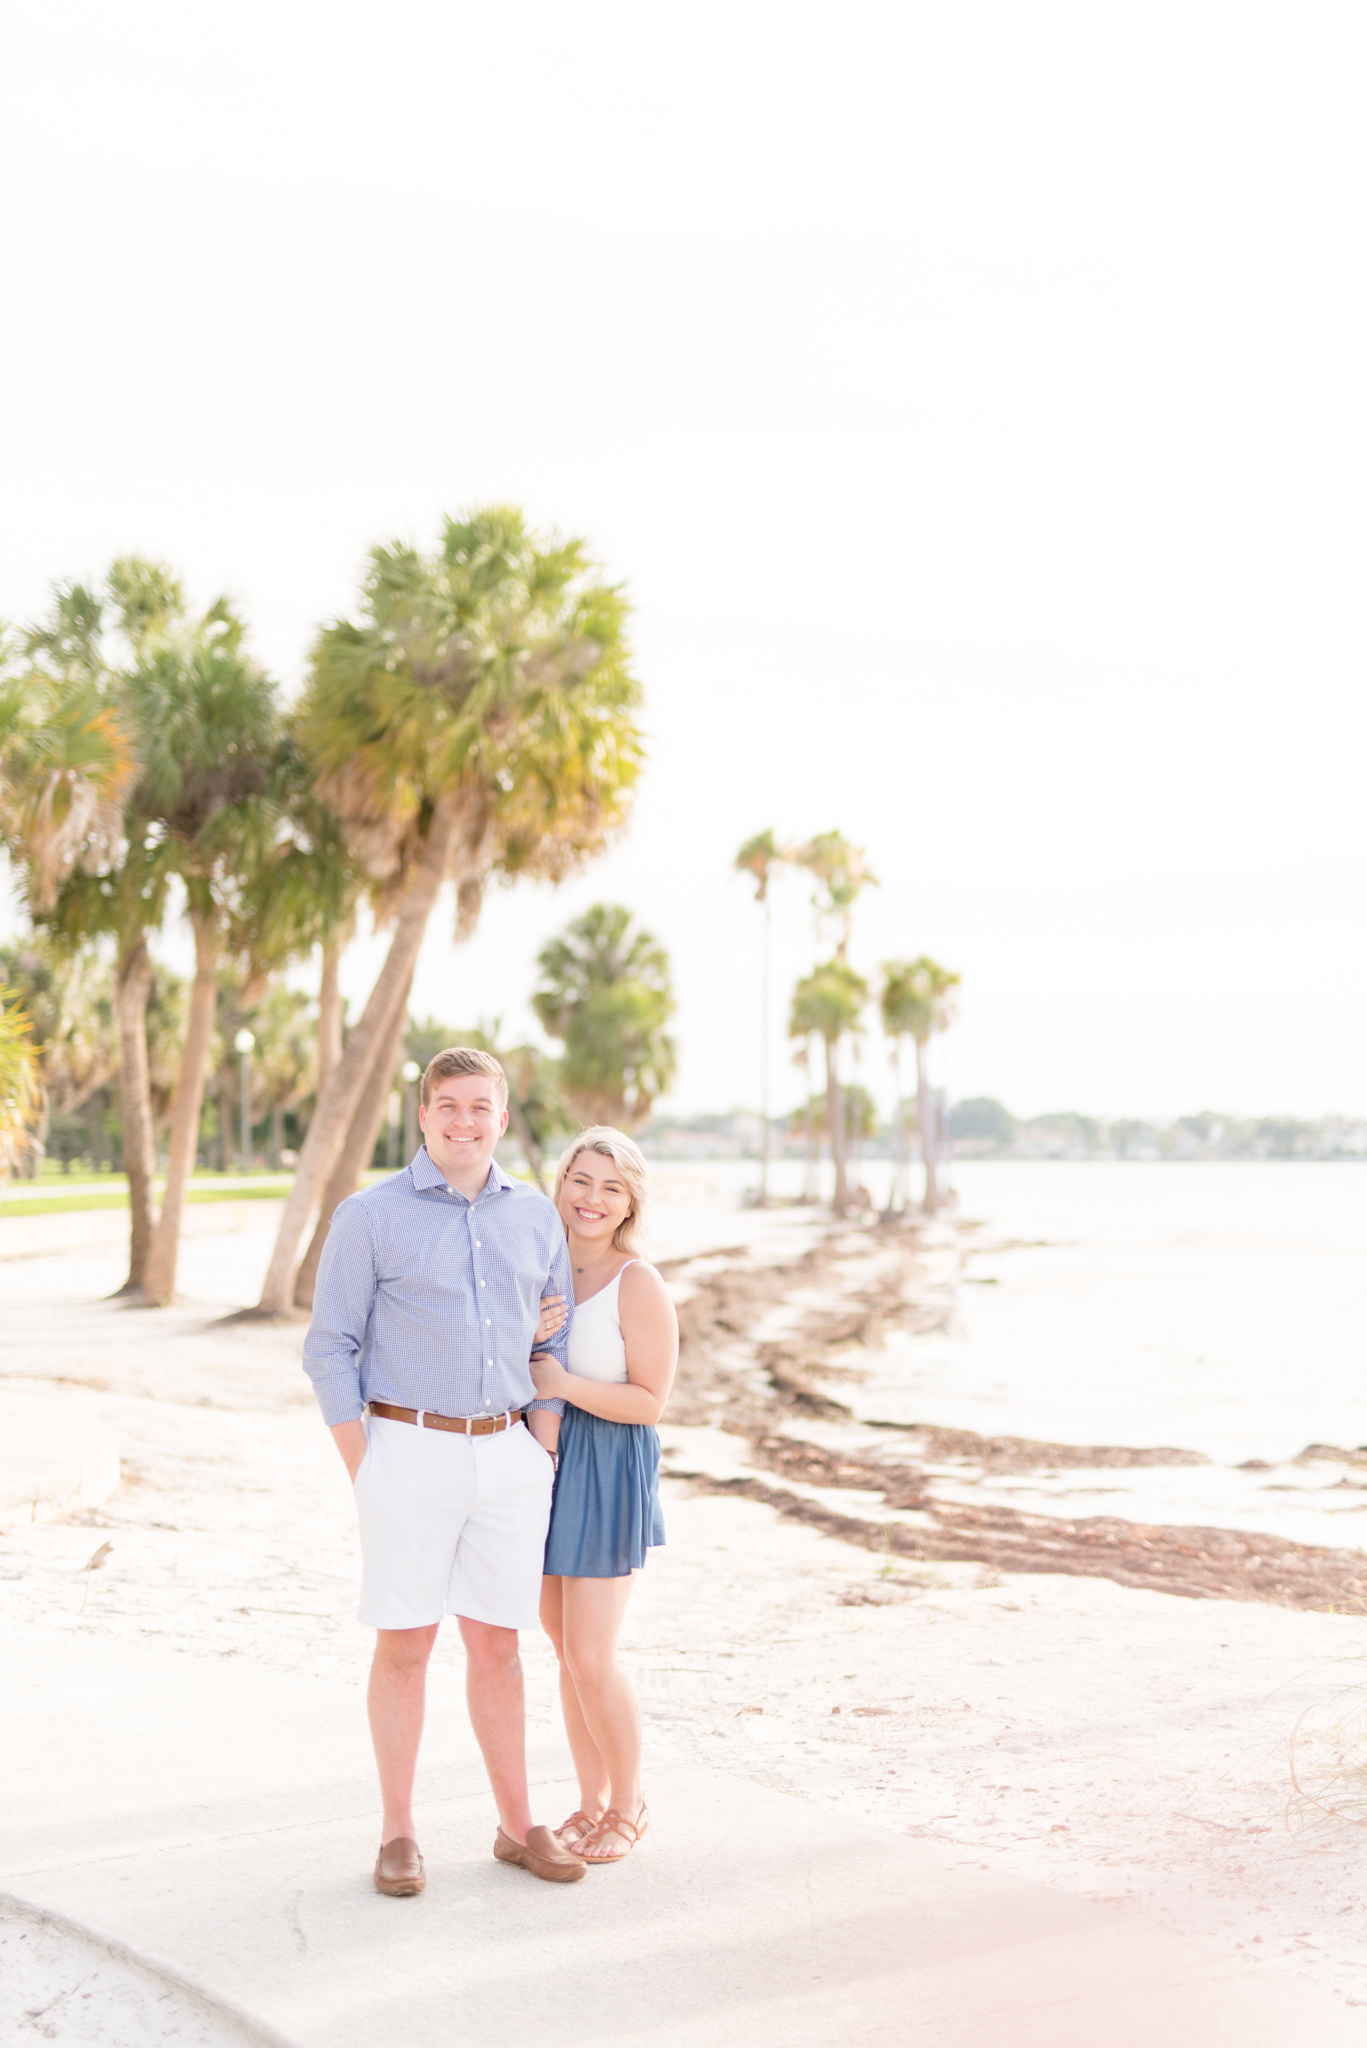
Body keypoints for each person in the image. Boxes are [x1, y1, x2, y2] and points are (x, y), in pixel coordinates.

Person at [302, 1047, 587, 1893]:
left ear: (501, 1117)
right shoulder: (369, 1214)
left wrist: (540, 1443)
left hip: (508, 1453)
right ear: (422, 1115)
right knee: (406, 1646)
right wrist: (368, 1467)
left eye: (479, 1106)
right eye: (447, 1106)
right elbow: (329, 1348)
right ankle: (397, 1833)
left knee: (498, 1649)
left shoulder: (535, 1216)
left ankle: (517, 1824)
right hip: (406, 1449)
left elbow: (552, 1336)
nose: (463, 1121)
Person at [529, 1127, 679, 1865]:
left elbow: (650, 1401)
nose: (591, 1199)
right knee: (562, 1651)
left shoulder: (637, 1282)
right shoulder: (536, 1269)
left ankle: (628, 1804)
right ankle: (586, 1805)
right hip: (539, 1462)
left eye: (610, 1187)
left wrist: (563, 1385)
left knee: (591, 1652)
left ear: (629, 1204)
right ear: (560, 1185)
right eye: (581, 1181)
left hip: (607, 1463)